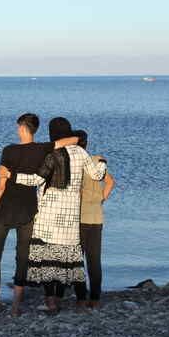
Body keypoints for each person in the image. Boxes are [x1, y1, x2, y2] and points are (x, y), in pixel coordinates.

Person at [0, 117, 107, 313]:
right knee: (68, 261)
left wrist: (12, 176)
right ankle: (77, 301)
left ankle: (51, 302)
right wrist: (103, 162)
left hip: (48, 215)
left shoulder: (51, 154)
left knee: (47, 259)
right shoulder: (82, 153)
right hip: (70, 218)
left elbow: (35, 180)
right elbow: (97, 175)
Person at [0, 113, 78, 317]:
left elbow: (1, 185)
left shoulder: (9, 150)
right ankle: (16, 307)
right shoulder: (43, 148)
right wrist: (55, 143)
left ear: (23, 128)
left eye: (18, 127)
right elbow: (75, 139)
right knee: (22, 257)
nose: (17, 131)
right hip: (28, 210)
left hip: (6, 209)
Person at [73, 129, 116, 308]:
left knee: (77, 261)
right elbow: (111, 182)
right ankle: (96, 298)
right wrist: (101, 199)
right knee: (94, 260)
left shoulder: (74, 164)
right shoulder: (97, 161)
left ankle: (81, 298)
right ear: (87, 144)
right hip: (96, 217)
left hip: (79, 218)